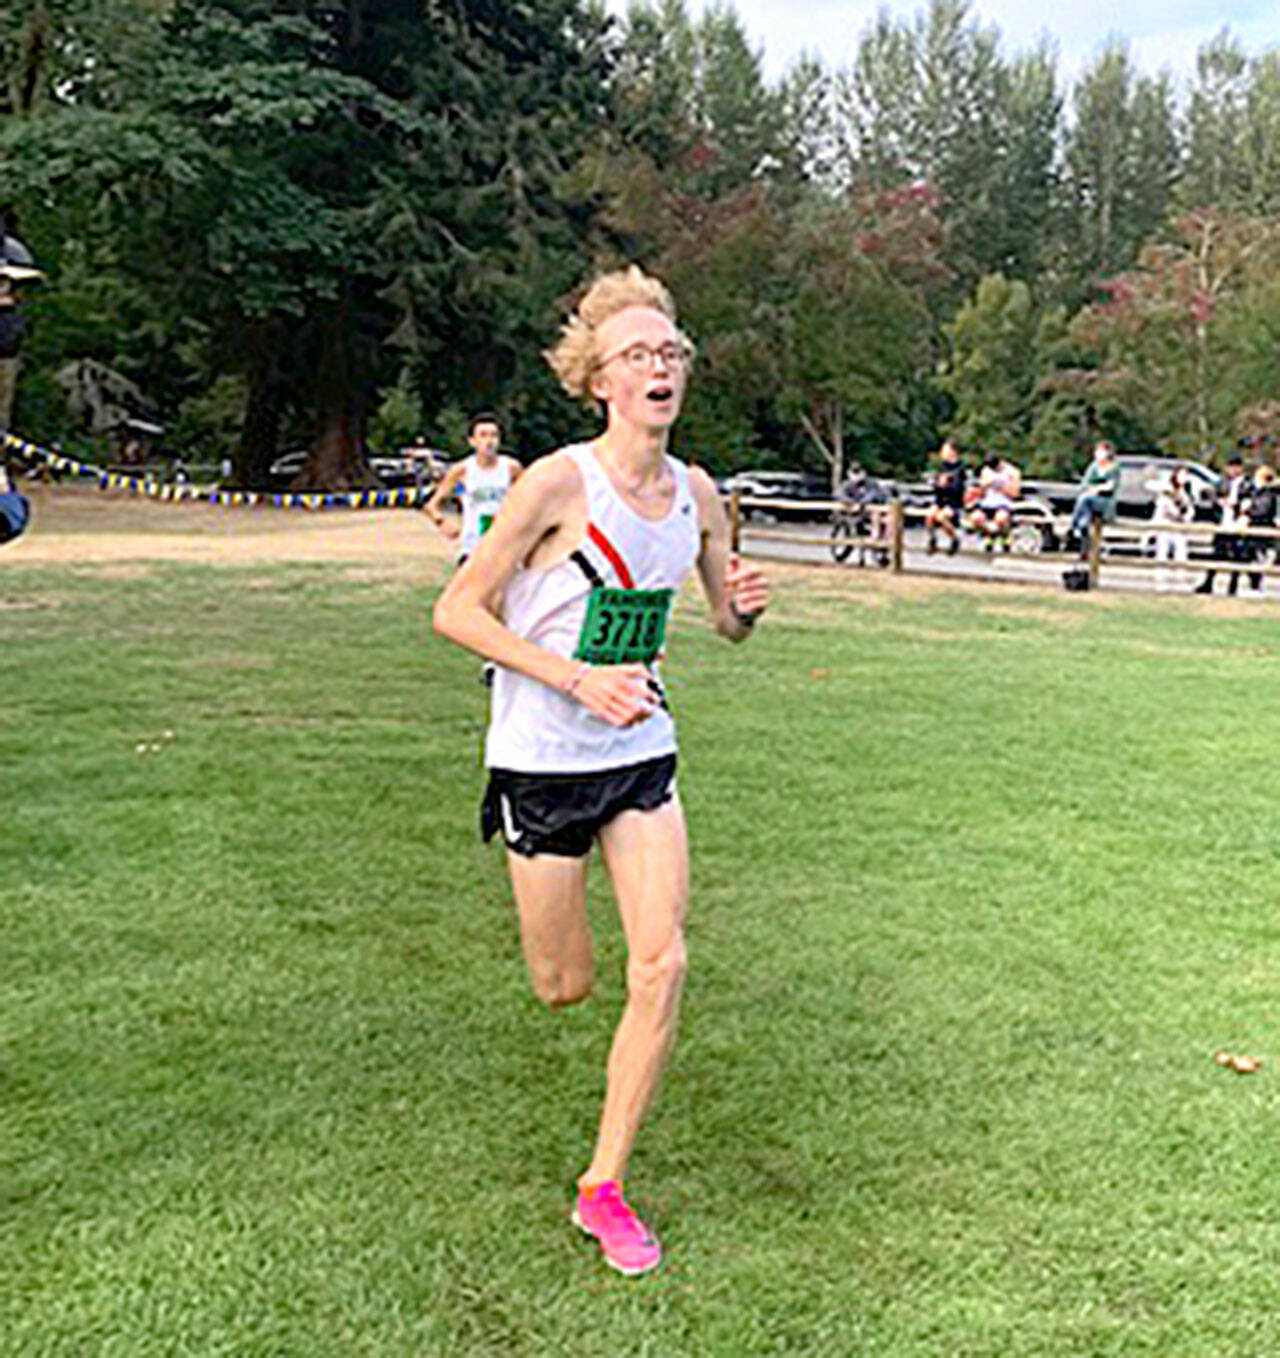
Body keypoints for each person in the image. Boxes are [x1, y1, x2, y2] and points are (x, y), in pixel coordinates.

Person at [433, 264, 769, 1276]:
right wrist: (577, 677)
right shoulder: (553, 483)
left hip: (639, 755)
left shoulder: (698, 496)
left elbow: (722, 620)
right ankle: (558, 964)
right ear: (598, 381)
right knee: (562, 984)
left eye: (670, 351)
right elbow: (456, 611)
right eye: (636, 354)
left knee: (661, 964)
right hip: (540, 761)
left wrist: (743, 610)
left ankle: (603, 1186)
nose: (658, 366)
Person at [424, 413, 523, 565]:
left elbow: (529, 500)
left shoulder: (511, 468)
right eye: (483, 435)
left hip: (504, 547)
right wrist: (442, 522)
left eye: (494, 435)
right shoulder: (462, 470)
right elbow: (432, 505)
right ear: (472, 441)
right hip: (472, 548)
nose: (489, 441)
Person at [1195, 452, 1250, 596]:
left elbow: (1250, 500)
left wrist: (1238, 504)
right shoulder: (1223, 482)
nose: (1231, 471)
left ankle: (1233, 585)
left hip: (1238, 522)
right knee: (1217, 553)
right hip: (1224, 520)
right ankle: (1208, 582)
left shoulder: (1247, 484)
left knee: (1237, 555)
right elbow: (1213, 494)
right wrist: (1219, 502)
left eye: (1234, 467)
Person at [1066, 440, 1119, 555]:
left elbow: (1111, 486)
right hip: (1090, 500)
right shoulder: (1093, 466)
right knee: (1084, 503)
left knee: (1084, 499)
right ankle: (1081, 530)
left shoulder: (1113, 467)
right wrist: (1091, 489)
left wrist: (1097, 489)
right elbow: (1084, 484)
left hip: (1105, 501)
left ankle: (1073, 527)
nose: (1098, 453)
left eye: (1102, 451)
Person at [1150, 467, 1194, 593]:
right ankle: (1161, 582)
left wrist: (1186, 516)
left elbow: (1190, 509)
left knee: (1181, 553)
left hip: (1180, 526)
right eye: (1181, 475)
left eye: (1186, 475)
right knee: (1162, 553)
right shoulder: (1167, 490)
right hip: (1166, 524)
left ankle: (1180, 581)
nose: (1183, 478)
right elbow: (1162, 507)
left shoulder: (1187, 492)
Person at [967, 450, 1021, 549]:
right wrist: (985, 486)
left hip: (1003, 503)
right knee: (975, 518)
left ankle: (1004, 535)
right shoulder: (986, 471)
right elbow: (980, 493)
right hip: (987, 503)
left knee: (1000, 519)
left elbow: (1015, 494)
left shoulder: (1012, 472)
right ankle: (989, 534)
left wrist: (1001, 488)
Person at [924, 440, 966, 555]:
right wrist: (936, 484)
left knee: (942, 517)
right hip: (941, 501)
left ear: (953, 452)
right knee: (929, 515)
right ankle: (932, 540)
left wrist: (947, 484)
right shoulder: (943, 467)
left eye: (945, 450)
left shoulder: (960, 468)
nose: (942, 453)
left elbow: (959, 488)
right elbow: (938, 486)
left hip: (954, 502)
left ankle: (954, 539)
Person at [1243, 463, 1277, 597]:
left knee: (1258, 558)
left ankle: (1256, 587)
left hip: (1262, 530)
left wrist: (1249, 509)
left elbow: (1263, 510)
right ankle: (1254, 586)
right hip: (1253, 530)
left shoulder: (1269, 494)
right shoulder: (1255, 492)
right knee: (1252, 558)